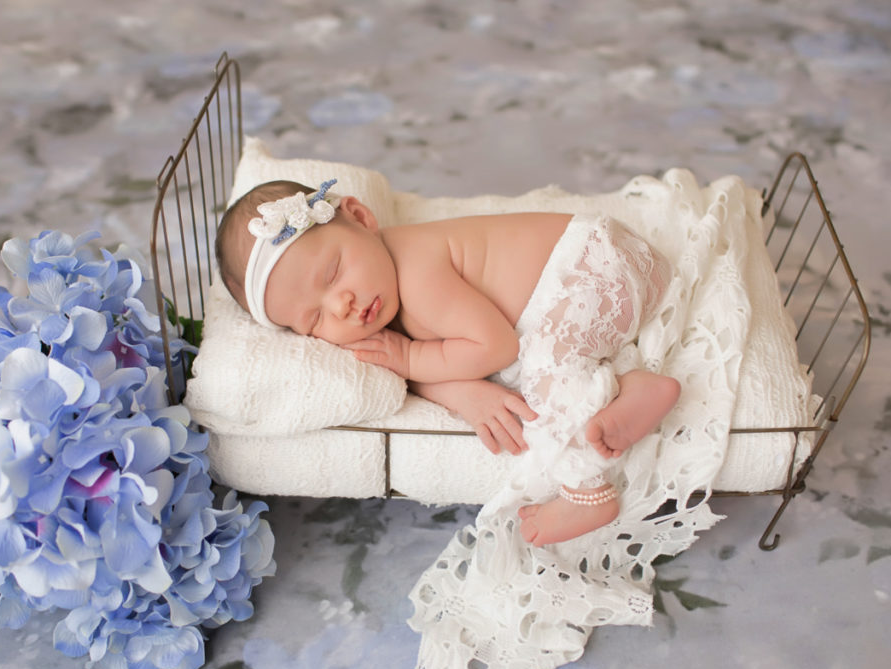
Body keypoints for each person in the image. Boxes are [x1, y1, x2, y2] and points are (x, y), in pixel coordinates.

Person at [215, 179, 680, 545]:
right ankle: (630, 389)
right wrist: (455, 388)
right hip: (599, 278)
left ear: (360, 217)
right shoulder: (381, 287)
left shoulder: (414, 269)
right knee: (549, 361)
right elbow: (418, 370)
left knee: (545, 367)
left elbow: (495, 348)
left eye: (333, 273)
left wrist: (411, 356)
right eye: (313, 318)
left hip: (602, 265)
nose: (341, 306)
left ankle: (588, 492)